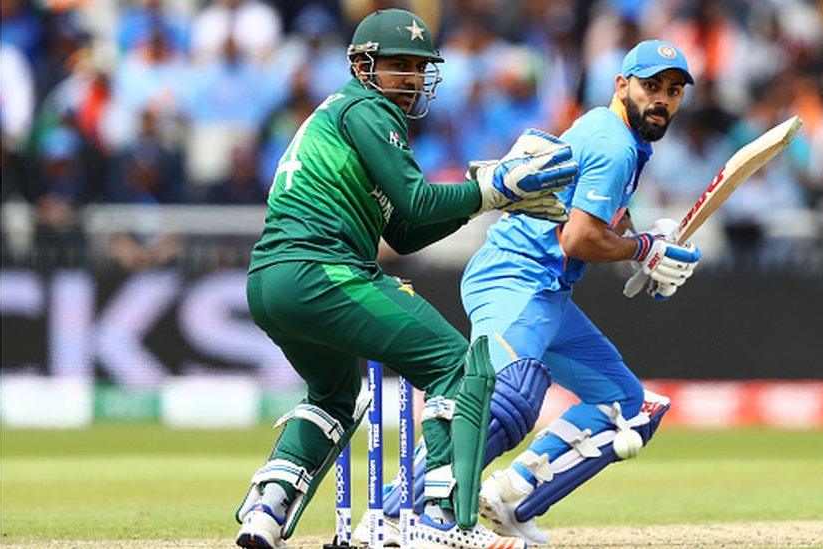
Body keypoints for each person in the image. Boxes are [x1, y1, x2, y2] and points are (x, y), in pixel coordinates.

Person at [234, 8, 577, 549]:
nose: (411, 79)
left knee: (333, 394)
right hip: (323, 272)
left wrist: (484, 195)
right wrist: (494, 187)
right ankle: (437, 521)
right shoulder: (369, 109)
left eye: (418, 68)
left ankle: (265, 513)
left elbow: (406, 228)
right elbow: (418, 200)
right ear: (360, 65)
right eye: (397, 65)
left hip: (272, 281)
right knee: (459, 367)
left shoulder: (348, 115)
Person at [370, 40, 703, 546]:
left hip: (545, 290)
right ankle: (397, 513)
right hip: (516, 277)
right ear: (622, 86)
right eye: (651, 86)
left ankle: (511, 497)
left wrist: (648, 251)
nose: (662, 99)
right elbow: (579, 237)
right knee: (506, 399)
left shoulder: (618, 135)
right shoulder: (615, 143)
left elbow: (599, 214)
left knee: (627, 405)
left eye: (673, 91)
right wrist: (642, 249)